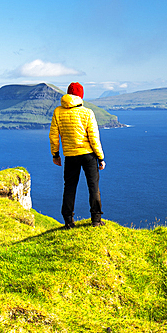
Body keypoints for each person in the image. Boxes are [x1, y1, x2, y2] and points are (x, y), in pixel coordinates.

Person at [50, 82, 106, 227]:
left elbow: (54, 135)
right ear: (81, 96)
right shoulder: (87, 113)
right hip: (88, 154)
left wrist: (56, 155)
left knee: (69, 187)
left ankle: (68, 221)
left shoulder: (58, 112)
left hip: (70, 155)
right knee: (93, 186)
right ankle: (96, 220)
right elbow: (94, 137)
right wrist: (100, 157)